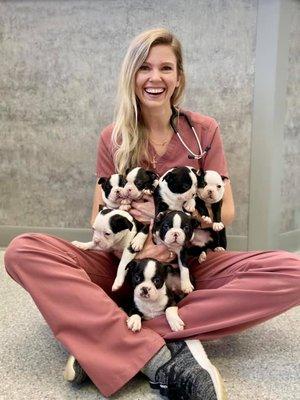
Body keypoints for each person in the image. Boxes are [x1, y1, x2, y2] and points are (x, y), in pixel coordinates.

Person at [4, 28, 300, 400]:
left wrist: (171, 243)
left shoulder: (203, 131)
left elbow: (227, 207)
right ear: (132, 75)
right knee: (23, 251)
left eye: (166, 68)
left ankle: (111, 334)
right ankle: (155, 347)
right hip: (121, 264)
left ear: (179, 78)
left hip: (185, 260)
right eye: (144, 68)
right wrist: (135, 243)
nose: (155, 77)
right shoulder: (113, 137)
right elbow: (97, 215)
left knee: (293, 271)